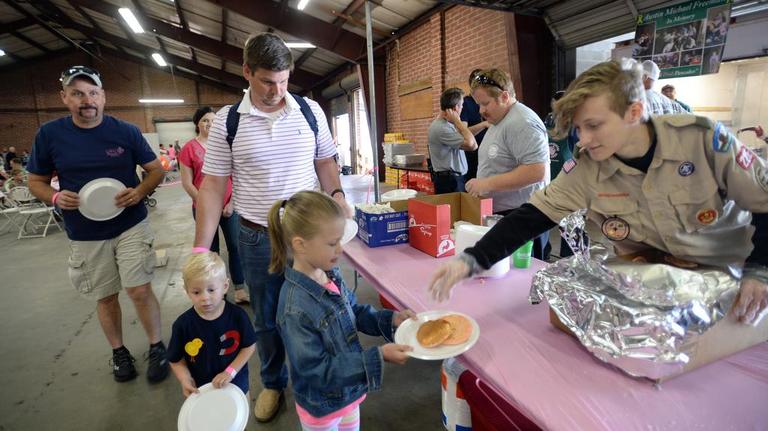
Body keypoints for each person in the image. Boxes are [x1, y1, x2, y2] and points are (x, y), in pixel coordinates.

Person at [427, 59, 768, 328]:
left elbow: (763, 199)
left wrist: (761, 270)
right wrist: (472, 260)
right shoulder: (591, 165)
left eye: (594, 126)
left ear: (634, 113)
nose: (584, 140)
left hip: (736, 289)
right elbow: (532, 216)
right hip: (664, 295)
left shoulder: (703, 141)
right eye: (579, 129)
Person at [193, 33, 348, 422]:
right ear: (246, 72)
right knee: (267, 318)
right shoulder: (228, 122)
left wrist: (337, 193)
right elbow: (212, 186)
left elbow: (326, 160)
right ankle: (275, 382)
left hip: (310, 235)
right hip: (258, 236)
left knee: (326, 305)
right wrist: (201, 250)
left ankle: (326, 376)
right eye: (267, 81)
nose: (277, 91)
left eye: (283, 81)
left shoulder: (309, 110)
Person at [26, 65, 170, 383]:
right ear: (65, 98)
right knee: (105, 296)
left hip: (131, 224)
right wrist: (53, 197)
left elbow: (156, 170)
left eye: (92, 93)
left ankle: (157, 346)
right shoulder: (50, 135)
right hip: (85, 233)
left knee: (140, 289)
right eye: (77, 93)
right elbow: (34, 180)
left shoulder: (126, 131)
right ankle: (119, 353)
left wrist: (140, 191)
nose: (86, 100)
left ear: (103, 97)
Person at [267, 191, 414, 430]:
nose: (340, 250)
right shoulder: (294, 308)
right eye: (332, 243)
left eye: (340, 241)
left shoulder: (329, 275)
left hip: (349, 395)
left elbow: (353, 311)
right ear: (300, 245)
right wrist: (379, 356)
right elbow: (315, 370)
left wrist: (392, 319)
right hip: (322, 410)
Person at [465, 68, 551, 260]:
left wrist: (486, 184)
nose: (481, 110)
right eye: (479, 104)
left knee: (523, 279)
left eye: (485, 103)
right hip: (505, 215)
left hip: (522, 217)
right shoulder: (499, 120)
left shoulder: (522, 122)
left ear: (504, 96)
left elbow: (536, 171)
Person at [179, 107, 249, 305]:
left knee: (235, 246)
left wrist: (231, 203)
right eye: (204, 121)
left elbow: (238, 177)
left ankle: (240, 288)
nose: (209, 124)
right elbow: (187, 182)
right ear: (197, 124)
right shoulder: (189, 149)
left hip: (229, 207)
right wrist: (206, 204)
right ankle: (216, 291)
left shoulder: (226, 145)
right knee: (211, 251)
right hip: (203, 208)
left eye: (213, 120)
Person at [168, 252, 256, 398]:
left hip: (236, 385)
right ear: (187, 291)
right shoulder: (182, 325)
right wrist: (185, 378)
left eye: (211, 290)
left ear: (225, 286)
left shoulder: (238, 316)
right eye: (196, 292)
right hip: (202, 391)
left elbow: (249, 346)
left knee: (239, 418)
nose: (205, 298)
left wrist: (230, 372)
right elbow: (175, 359)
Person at [544, 91, 576, 258]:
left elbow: (580, 151)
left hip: (569, 175)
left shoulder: (575, 122)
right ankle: (545, 251)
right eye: (555, 106)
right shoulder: (547, 120)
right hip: (549, 172)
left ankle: (569, 256)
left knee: (569, 219)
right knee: (544, 215)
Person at [428, 88, 478, 194]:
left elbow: (466, 136)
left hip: (453, 179)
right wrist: (458, 121)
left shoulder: (447, 125)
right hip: (450, 181)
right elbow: (472, 145)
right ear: (456, 108)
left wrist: (483, 124)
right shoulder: (442, 128)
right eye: (462, 105)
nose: (463, 108)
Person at [460, 69, 490, 181]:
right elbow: (463, 132)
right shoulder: (466, 103)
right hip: (472, 155)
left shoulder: (488, 101)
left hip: (488, 153)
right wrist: (484, 124)